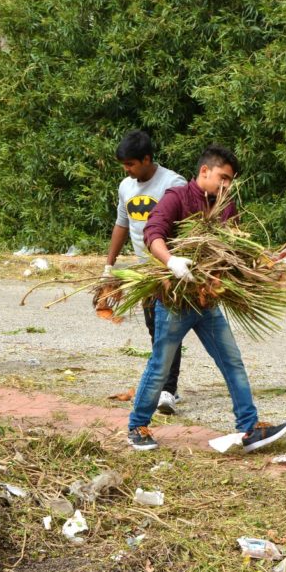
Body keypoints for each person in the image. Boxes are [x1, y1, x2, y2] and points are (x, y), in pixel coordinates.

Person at [127, 145, 286, 452]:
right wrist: (172, 262)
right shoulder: (176, 198)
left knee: (232, 361)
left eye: (230, 181)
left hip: (207, 302)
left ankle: (249, 427)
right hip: (175, 301)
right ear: (205, 171)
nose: (226, 186)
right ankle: (137, 426)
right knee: (160, 366)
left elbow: (237, 249)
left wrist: (265, 267)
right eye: (222, 178)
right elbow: (153, 234)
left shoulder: (226, 208)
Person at [104, 130, 187, 414]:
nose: (126, 170)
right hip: (145, 273)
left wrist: (175, 263)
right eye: (124, 165)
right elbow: (122, 224)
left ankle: (168, 390)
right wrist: (109, 265)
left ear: (147, 159)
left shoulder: (173, 183)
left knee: (168, 329)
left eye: (131, 164)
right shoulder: (125, 186)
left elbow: (187, 227)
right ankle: (165, 385)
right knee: (155, 328)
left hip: (170, 270)